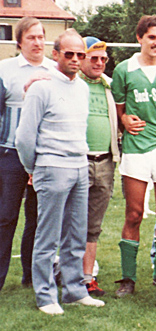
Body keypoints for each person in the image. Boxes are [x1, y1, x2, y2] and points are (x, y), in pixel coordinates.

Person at [16, 29, 105, 315]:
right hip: (51, 167)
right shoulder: (41, 86)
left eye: (81, 54)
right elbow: (24, 138)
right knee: (48, 236)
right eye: (70, 54)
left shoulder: (81, 87)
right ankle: (45, 296)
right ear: (55, 54)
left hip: (80, 166)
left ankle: (74, 291)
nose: (77, 60)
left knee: (76, 235)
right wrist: (34, 167)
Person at [111, 15, 156, 297]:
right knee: (134, 213)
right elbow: (119, 112)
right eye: (151, 37)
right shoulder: (123, 69)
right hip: (136, 150)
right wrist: (125, 122)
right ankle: (128, 279)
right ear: (139, 38)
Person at [0, 16, 54, 291]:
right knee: (6, 217)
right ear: (19, 41)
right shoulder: (5, 70)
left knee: (37, 218)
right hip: (10, 156)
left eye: (41, 36)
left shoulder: (54, 70)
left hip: (44, 157)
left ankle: (32, 276)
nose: (37, 42)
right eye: (31, 37)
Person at [78, 36, 120, 297]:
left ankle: (87, 276)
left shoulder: (109, 86)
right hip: (76, 161)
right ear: (82, 58)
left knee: (93, 225)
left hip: (104, 162)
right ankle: (63, 273)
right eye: (94, 58)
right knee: (69, 222)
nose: (100, 63)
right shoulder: (73, 85)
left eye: (103, 59)